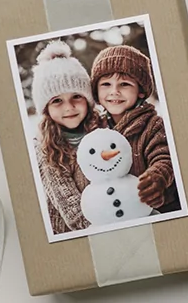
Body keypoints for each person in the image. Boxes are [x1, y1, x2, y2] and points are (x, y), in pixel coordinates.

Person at [89, 44, 179, 213]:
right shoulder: (95, 127)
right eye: (106, 84)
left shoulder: (153, 124)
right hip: (115, 209)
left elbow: (163, 157)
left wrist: (156, 179)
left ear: (141, 91)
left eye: (124, 84)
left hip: (155, 207)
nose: (114, 92)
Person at [29, 40, 104, 234]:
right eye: (57, 101)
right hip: (79, 231)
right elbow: (70, 207)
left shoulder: (102, 127)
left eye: (76, 97)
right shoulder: (45, 148)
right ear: (46, 108)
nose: (69, 107)